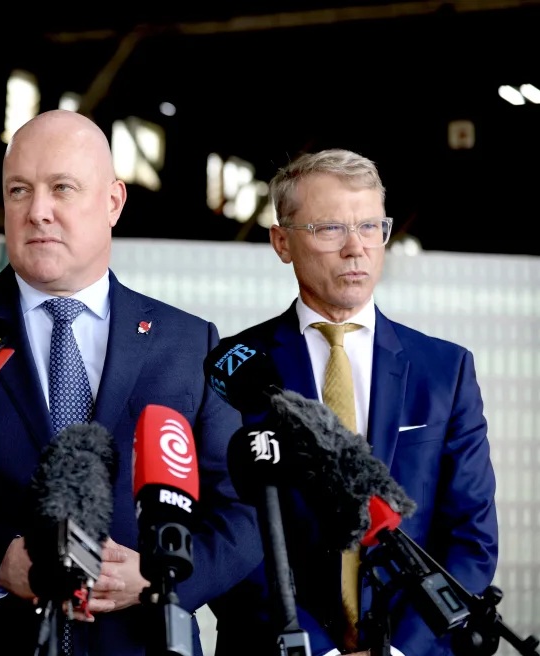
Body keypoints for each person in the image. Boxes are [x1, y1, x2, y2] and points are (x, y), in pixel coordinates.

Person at [0, 109, 261, 656]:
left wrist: (162, 578)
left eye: (62, 188)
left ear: (113, 202)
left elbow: (242, 510)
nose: (37, 211)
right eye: (19, 190)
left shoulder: (188, 343)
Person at [210, 149, 498, 656]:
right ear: (282, 242)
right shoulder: (234, 368)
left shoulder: (444, 370)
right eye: (329, 229)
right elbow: (228, 533)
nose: (356, 249)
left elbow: (470, 537)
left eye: (370, 226)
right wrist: (315, 650)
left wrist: (401, 649)